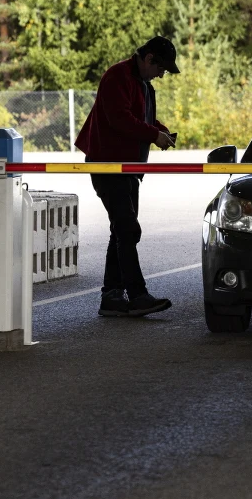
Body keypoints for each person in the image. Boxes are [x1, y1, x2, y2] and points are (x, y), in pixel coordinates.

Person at [74, 36, 179, 318]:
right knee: (128, 229)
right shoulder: (116, 77)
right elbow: (119, 118)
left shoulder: (144, 86)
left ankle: (111, 297)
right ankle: (137, 295)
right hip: (108, 166)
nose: (162, 74)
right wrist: (153, 134)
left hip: (128, 169)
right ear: (148, 59)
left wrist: (161, 130)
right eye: (161, 68)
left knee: (120, 230)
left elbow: (142, 120)